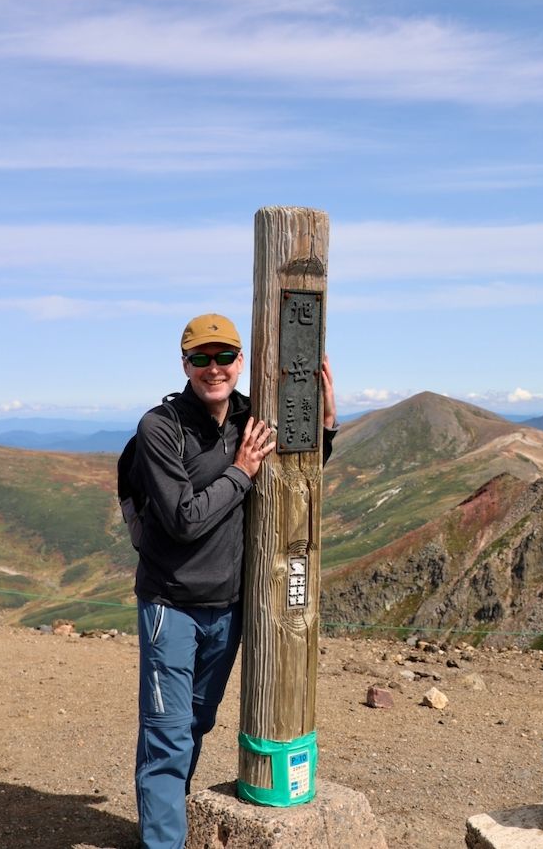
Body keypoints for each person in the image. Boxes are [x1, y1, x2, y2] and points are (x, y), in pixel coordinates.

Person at [130, 313, 336, 849]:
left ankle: (167, 825)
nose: (213, 368)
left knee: (195, 725)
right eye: (201, 358)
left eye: (224, 357)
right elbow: (183, 518)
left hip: (228, 609)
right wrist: (242, 471)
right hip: (169, 606)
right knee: (167, 735)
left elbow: (294, 474)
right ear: (185, 365)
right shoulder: (161, 427)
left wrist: (327, 426)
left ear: (241, 362)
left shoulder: (250, 419)